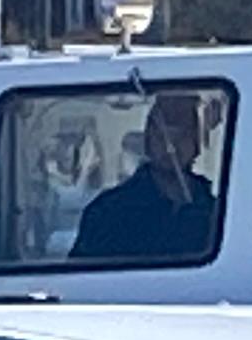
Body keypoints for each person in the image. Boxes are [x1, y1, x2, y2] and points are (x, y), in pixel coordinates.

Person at [68, 89, 217, 263]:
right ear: (147, 140)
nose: (171, 145)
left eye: (182, 132)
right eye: (162, 133)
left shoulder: (216, 213)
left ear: (197, 143)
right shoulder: (108, 213)